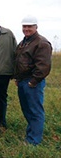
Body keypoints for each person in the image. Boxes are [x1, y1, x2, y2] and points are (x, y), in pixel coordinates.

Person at [15, 15, 52, 145]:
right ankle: (30, 135)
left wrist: (33, 82)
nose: (26, 29)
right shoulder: (24, 41)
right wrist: (18, 78)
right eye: (24, 26)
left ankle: (33, 141)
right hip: (23, 81)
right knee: (27, 110)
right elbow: (20, 61)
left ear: (36, 27)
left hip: (32, 82)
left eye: (29, 26)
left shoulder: (42, 43)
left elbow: (43, 66)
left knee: (35, 111)